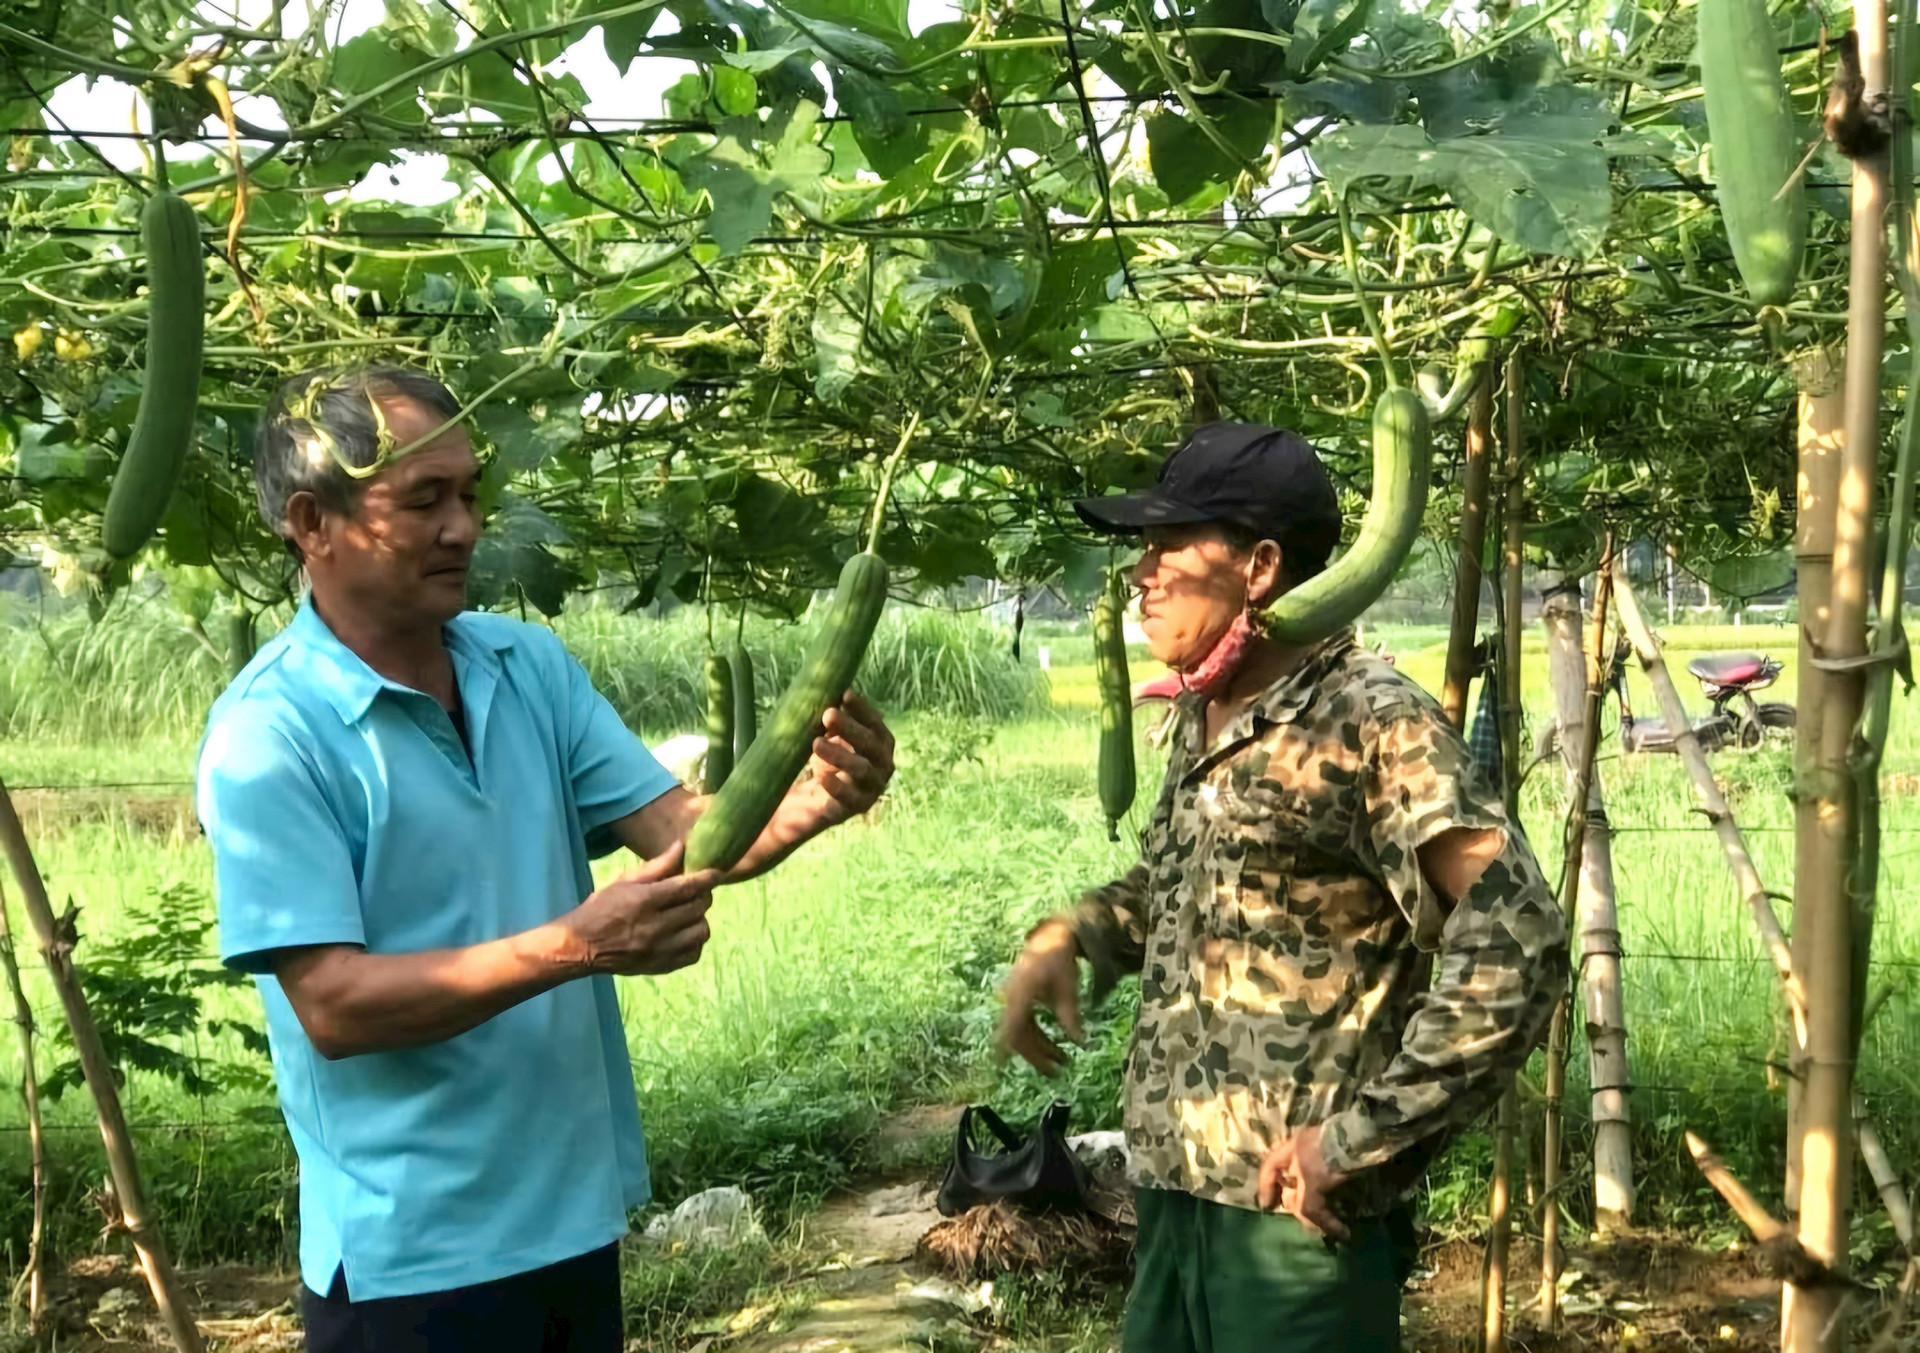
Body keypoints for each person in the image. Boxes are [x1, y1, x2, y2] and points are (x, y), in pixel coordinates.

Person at [195, 364, 895, 1353]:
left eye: (471, 493)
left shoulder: (526, 668)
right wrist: (575, 945)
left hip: (569, 1221)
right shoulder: (270, 734)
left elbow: (686, 839)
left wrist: (817, 799)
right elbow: (335, 1007)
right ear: (314, 524)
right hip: (410, 1256)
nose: (465, 528)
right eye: (425, 499)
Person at [996, 422, 1567, 1352]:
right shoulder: (1210, 712)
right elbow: (1196, 882)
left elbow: (1522, 937)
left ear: (1259, 567)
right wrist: (1077, 930)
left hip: (1294, 1223)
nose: (1142, 573)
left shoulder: (1371, 721)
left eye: (1168, 545)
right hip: (1177, 1192)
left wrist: (1359, 1141)